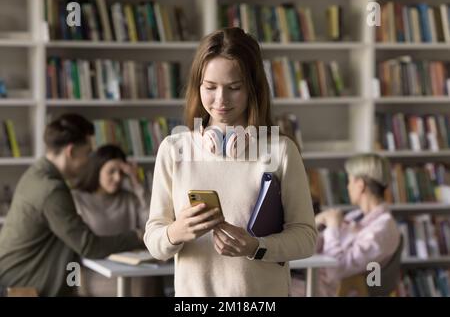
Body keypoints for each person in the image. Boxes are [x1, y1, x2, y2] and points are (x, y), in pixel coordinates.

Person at [144, 27, 317, 296]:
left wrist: (256, 246)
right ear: (197, 87)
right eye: (210, 88)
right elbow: (154, 241)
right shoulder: (172, 149)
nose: (221, 100)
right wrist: (176, 232)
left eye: (234, 88)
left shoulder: (281, 151)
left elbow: (306, 239)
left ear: (253, 89)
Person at [0, 114, 144, 296]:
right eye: (88, 153)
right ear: (71, 151)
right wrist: (137, 237)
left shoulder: (36, 173)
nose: (90, 160)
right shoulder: (52, 190)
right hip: (24, 286)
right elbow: (89, 246)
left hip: (14, 277)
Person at [292, 153, 401, 296]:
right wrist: (316, 222)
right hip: (310, 281)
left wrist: (333, 227)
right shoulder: (355, 217)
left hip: (330, 290)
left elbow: (336, 268)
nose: (348, 187)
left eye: (349, 181)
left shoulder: (383, 229)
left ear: (360, 185)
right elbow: (310, 249)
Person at [72, 144, 160, 296]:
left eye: (121, 172)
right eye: (111, 171)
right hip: (95, 271)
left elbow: (153, 225)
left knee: (148, 281)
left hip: (132, 268)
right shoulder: (77, 198)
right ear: (97, 170)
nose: (118, 178)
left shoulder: (131, 198)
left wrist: (137, 183)